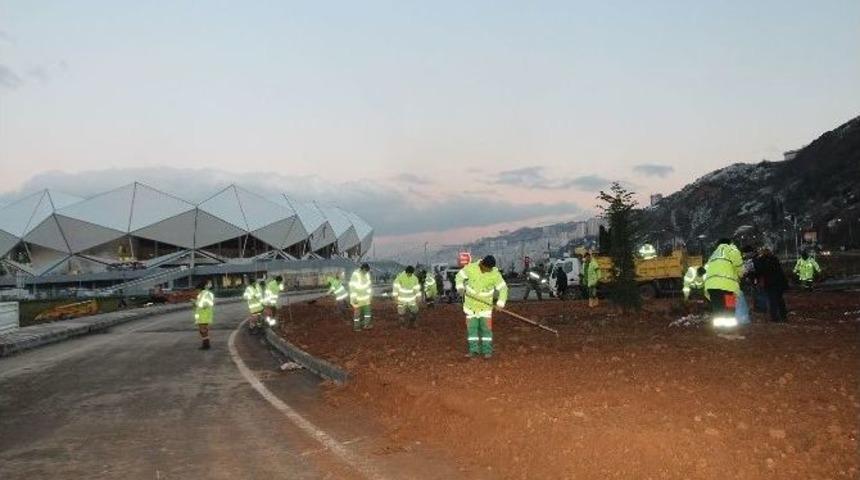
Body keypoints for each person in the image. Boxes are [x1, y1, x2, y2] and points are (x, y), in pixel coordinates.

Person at [455, 255, 508, 359]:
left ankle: (487, 351)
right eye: (487, 269)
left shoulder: (495, 274)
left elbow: (503, 289)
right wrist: (460, 287)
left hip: (485, 308)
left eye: (490, 269)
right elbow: (459, 276)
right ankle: (473, 351)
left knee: (486, 331)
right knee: (472, 331)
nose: (489, 270)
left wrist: (500, 303)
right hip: (470, 308)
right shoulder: (471, 268)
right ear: (482, 265)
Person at [703, 238, 743, 328]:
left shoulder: (713, 255)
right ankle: (729, 329)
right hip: (727, 286)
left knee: (718, 308)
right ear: (729, 243)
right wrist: (741, 274)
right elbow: (738, 265)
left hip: (711, 286)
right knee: (729, 307)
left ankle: (719, 329)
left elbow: (706, 270)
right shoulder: (731, 249)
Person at [757, 248, 789, 322]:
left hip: (771, 283)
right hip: (779, 283)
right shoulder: (774, 259)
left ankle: (775, 317)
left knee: (772, 300)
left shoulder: (763, 261)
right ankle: (783, 316)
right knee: (779, 300)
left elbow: (760, 270)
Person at [349, 263, 373, 331]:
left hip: (366, 299)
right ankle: (356, 327)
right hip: (357, 299)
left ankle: (366, 325)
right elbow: (352, 287)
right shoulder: (356, 274)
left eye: (367, 271)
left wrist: (370, 295)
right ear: (362, 269)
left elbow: (369, 286)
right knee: (357, 313)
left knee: (367, 313)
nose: (366, 272)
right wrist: (354, 298)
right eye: (365, 271)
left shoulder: (367, 274)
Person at [194, 280, 215, 349]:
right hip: (203, 314)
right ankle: (205, 343)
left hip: (204, 314)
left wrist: (196, 303)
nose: (196, 291)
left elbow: (205, 304)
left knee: (203, 330)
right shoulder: (204, 294)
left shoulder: (205, 294)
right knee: (203, 330)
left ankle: (206, 344)